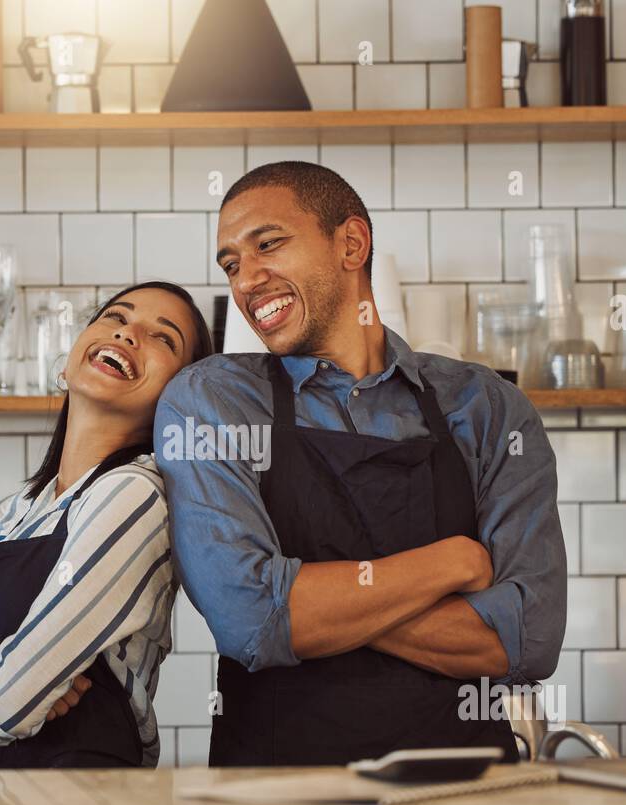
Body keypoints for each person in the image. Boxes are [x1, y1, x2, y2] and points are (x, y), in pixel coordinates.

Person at [154, 162, 567, 767]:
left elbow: (528, 640)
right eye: (231, 264)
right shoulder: (211, 400)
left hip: (466, 796)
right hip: (277, 801)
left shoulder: (486, 407)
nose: (247, 280)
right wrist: (454, 563)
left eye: (267, 244)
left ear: (351, 244)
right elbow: (246, 620)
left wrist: (301, 601)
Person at [0, 282, 214, 768]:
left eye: (163, 338)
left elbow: (10, 702)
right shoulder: (9, 514)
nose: (129, 334)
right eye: (115, 317)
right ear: (68, 360)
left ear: (179, 395)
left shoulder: (137, 494)